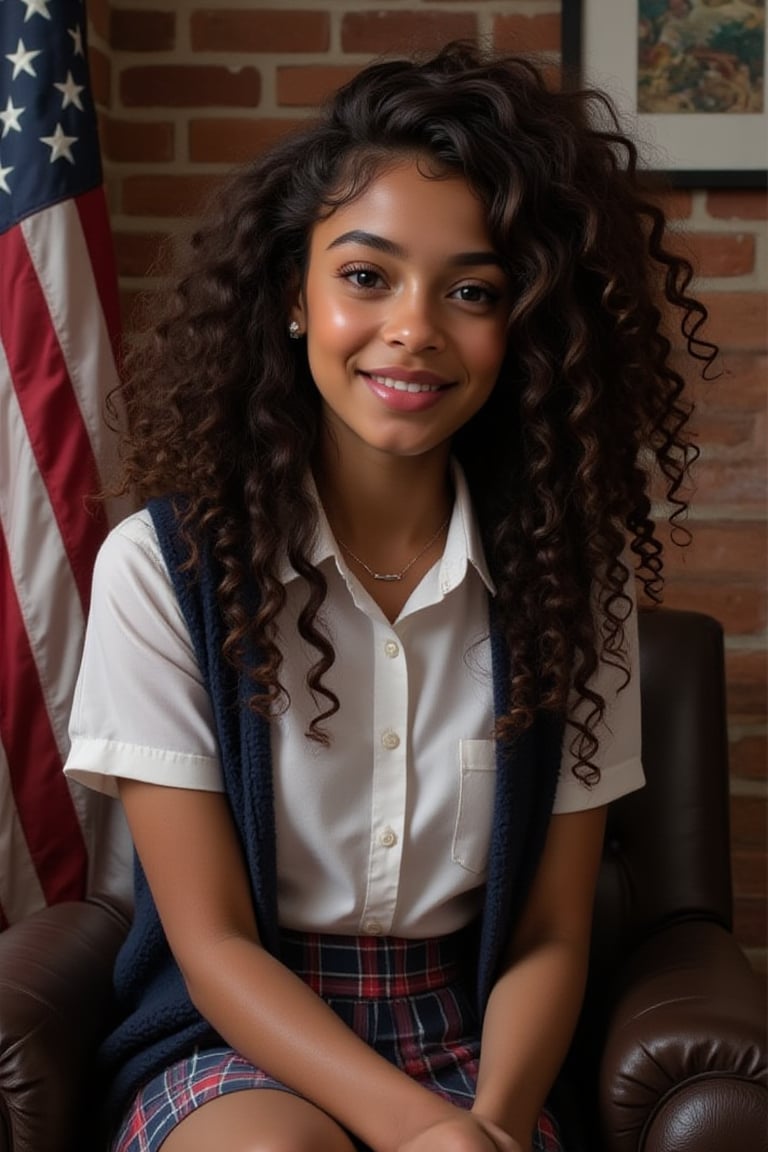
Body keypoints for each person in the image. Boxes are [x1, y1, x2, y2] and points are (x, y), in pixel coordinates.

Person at [64, 40, 717, 1152]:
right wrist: (417, 1131)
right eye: (366, 276)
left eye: (472, 291)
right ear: (291, 294)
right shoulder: (160, 569)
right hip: (238, 1031)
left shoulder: (572, 579)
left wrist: (491, 1124)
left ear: (520, 335)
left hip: (476, 1035)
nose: (414, 327)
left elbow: (552, 933)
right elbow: (212, 942)